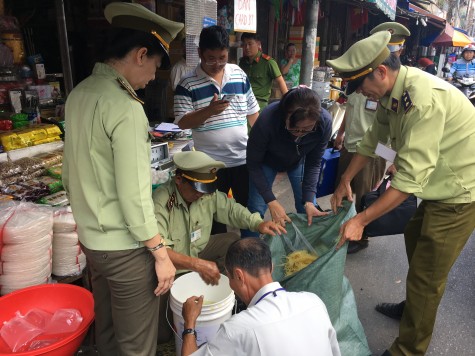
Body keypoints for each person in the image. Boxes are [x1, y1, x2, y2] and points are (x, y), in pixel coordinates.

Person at [327, 31, 475, 356]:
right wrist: (345, 180)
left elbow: (407, 181)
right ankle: (415, 309)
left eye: (361, 85)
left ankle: (409, 349)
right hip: (438, 183)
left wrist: (360, 221)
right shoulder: (391, 95)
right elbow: (373, 139)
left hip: (459, 192)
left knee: (427, 272)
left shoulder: (420, 101)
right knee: (414, 238)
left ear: (381, 71)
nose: (360, 93)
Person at [62, 3, 183, 355]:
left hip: (93, 244)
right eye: (156, 67)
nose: (151, 78)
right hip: (126, 250)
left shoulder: (79, 93)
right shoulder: (125, 107)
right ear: (141, 54)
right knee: (136, 346)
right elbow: (134, 195)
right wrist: (160, 253)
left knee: (109, 334)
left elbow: (70, 177)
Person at [152, 151, 285, 342]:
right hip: (169, 263)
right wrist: (198, 265)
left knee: (231, 242)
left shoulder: (206, 194)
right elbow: (159, 249)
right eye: (196, 189)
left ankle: (231, 293)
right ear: (179, 179)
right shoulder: (161, 200)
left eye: (205, 190)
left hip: (198, 249)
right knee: (164, 333)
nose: (201, 195)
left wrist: (258, 223)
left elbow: (231, 209)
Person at [180, 238, 341, 356]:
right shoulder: (314, 302)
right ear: (271, 267)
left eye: (229, 277)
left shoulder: (236, 329)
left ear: (239, 276)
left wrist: (189, 323)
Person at [174, 25, 259, 235]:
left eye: (222, 57)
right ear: (200, 53)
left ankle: (251, 258)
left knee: (249, 215)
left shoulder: (238, 74)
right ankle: (218, 261)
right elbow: (182, 123)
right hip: (210, 166)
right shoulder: (187, 84)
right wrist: (209, 111)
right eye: (211, 58)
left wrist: (262, 150)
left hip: (243, 160)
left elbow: (253, 114)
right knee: (213, 220)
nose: (217, 64)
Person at [335, 21, 410, 254]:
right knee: (346, 192)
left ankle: (361, 234)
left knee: (365, 196)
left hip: (377, 152)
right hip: (353, 145)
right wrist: (341, 133)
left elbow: (410, 172)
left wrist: (397, 162)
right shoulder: (365, 82)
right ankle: (346, 229)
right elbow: (354, 113)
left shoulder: (400, 92)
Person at [243, 87, 332, 237]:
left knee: (308, 206)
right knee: (256, 208)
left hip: (298, 160)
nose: (299, 134)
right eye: (295, 129)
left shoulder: (324, 123)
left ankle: (306, 246)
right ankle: (248, 251)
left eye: (307, 130)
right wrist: (271, 200)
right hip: (266, 162)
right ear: (285, 115)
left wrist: (309, 200)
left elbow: (314, 162)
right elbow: (253, 164)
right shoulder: (267, 119)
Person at [239, 32, 288, 110]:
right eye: (244, 44)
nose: (247, 47)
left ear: (258, 44)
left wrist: (287, 102)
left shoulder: (268, 62)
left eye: (250, 44)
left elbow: (280, 81)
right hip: (242, 101)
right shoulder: (243, 62)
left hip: (259, 103)